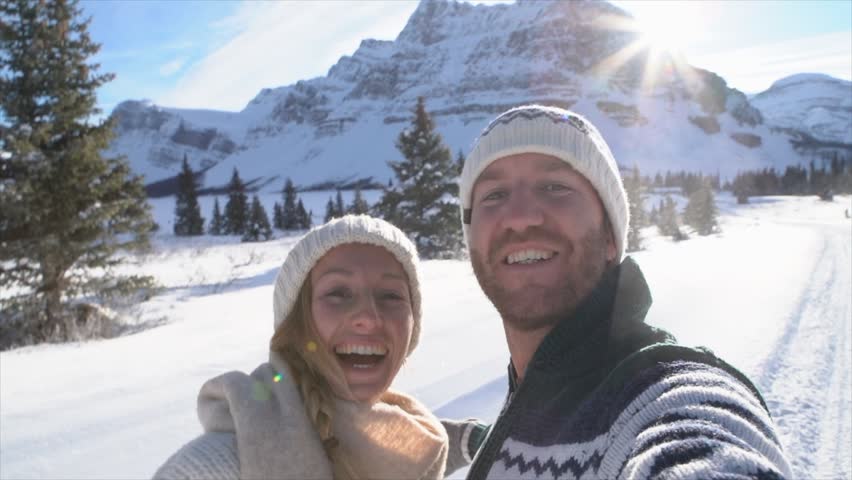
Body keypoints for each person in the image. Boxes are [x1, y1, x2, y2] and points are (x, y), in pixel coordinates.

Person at [457, 105, 793, 479]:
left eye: (555, 187)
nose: (520, 216)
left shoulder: (660, 395)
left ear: (610, 238)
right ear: (472, 241)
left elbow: (697, 444)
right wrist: (463, 440)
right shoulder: (531, 390)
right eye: (493, 194)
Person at [153, 215, 485, 479]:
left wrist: (467, 440)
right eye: (338, 294)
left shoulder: (406, 441)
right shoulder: (216, 466)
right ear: (296, 325)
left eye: (391, 296)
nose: (368, 317)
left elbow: (361, 443)